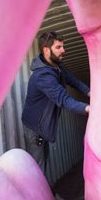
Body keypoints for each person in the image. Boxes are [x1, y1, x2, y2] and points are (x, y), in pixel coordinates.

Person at [22, 31, 90, 182]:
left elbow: (72, 80)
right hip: (35, 128)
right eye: (59, 47)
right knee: (38, 169)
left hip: (42, 124)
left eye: (62, 46)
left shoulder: (56, 65)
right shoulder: (43, 77)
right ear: (46, 50)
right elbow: (64, 100)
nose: (63, 50)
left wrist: (90, 92)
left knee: (43, 165)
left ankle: (45, 197)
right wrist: (89, 109)